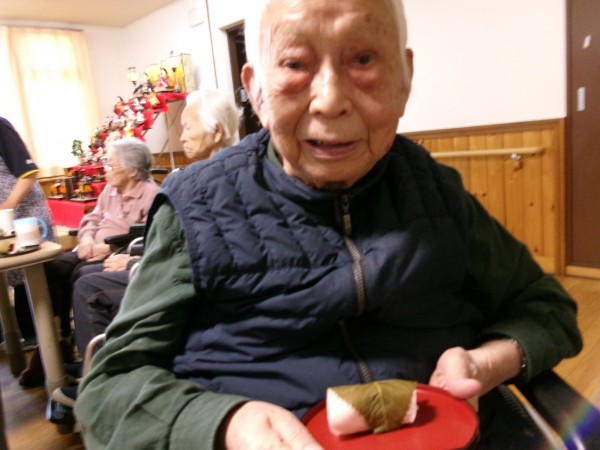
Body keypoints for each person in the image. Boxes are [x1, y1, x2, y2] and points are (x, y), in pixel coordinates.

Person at [75, 1, 582, 448]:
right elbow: (109, 390)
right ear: (255, 89)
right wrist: (224, 423)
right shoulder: (195, 204)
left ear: (404, 79)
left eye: (363, 60)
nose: (330, 100)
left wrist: (488, 362)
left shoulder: (436, 190)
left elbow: (546, 310)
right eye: (295, 64)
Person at [61, 89, 242, 380]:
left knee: (88, 286)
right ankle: (102, 364)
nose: (181, 136)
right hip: (171, 267)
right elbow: (175, 239)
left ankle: (105, 380)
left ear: (217, 131)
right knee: (80, 273)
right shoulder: (205, 174)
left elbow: (202, 249)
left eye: (187, 127)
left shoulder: (217, 180)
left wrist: (134, 261)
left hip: (192, 281)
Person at [18, 137, 159, 387]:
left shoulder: (151, 195)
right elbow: (91, 220)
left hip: (119, 253)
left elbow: (150, 237)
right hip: (90, 247)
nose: (105, 169)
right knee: (50, 269)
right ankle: (57, 342)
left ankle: (93, 361)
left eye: (111, 165)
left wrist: (110, 248)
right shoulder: (110, 190)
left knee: (83, 276)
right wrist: (85, 240)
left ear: (133, 170)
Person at [0, 117, 56, 345]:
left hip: (26, 214)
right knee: (11, 275)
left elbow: (29, 173)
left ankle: (40, 340)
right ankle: (13, 336)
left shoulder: (0, 126)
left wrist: (7, 206)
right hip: (5, 219)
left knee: (30, 275)